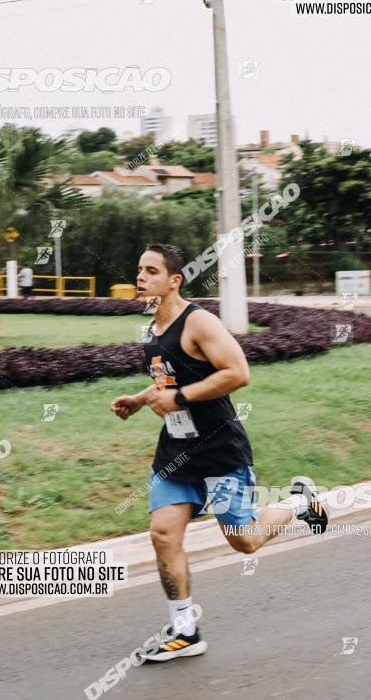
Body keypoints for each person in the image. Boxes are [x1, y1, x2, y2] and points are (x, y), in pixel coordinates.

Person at [110, 243, 329, 661]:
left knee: (244, 541)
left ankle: (300, 502)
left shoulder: (199, 322)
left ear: (174, 280)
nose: (141, 277)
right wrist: (142, 399)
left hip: (219, 452)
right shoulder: (154, 328)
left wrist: (180, 398)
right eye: (139, 269)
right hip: (176, 454)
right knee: (162, 535)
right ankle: (184, 631)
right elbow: (169, 382)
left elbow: (238, 372)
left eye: (151, 271)